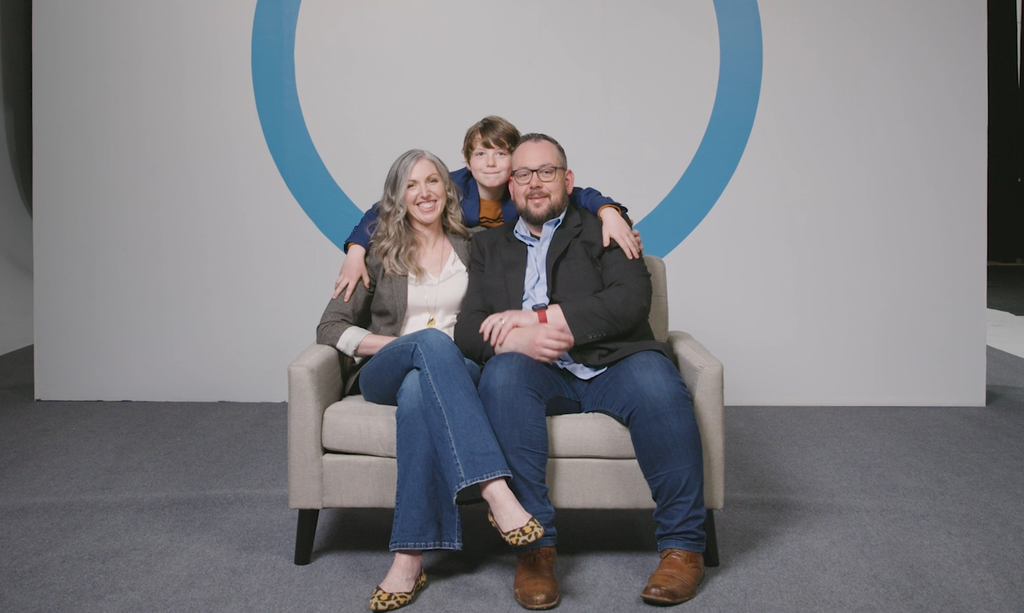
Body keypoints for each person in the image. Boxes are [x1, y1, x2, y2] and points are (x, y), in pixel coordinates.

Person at [454, 134, 707, 609]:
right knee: (502, 377)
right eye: (523, 174)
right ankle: (534, 550)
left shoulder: (603, 228)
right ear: (511, 187)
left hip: (614, 360)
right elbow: (466, 327)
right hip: (535, 369)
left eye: (546, 172)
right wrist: (518, 340)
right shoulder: (488, 247)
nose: (534, 184)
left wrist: (544, 320)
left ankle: (683, 548)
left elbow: (631, 302)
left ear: (567, 180)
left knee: (658, 383)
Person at [317, 149, 544, 612]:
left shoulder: (474, 244)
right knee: (428, 343)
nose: (424, 193)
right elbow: (331, 328)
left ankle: (408, 559)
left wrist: (607, 212)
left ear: (449, 189)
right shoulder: (377, 251)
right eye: (412, 185)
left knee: (422, 389)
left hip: (453, 375)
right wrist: (402, 345)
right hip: (384, 370)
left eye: (433, 182)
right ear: (398, 196)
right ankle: (495, 491)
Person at [332, 116, 642, 302]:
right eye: (480, 154)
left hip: (512, 269)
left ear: (516, 161)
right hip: (469, 270)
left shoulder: (527, 188)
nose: (490, 163)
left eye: (500, 153)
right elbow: (386, 207)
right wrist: (356, 250)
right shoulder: (450, 185)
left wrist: (609, 213)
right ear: (467, 162)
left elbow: (579, 194)